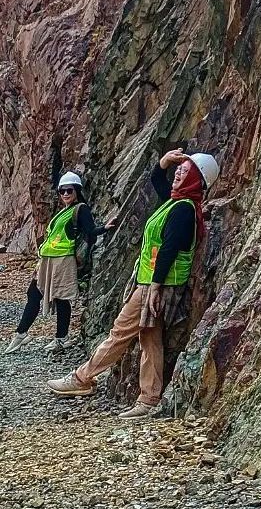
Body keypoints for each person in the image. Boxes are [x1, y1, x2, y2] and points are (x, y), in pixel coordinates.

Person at [48, 148, 219, 419]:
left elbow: (169, 249)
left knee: (120, 331)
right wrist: (164, 162)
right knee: (149, 338)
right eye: (179, 170)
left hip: (158, 284)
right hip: (156, 282)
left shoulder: (183, 210)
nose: (178, 174)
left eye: (185, 172)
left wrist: (154, 286)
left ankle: (82, 378)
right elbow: (158, 181)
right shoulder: (176, 203)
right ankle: (148, 398)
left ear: (196, 181)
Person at [4, 171, 98, 355]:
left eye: (69, 190)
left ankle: (59, 339)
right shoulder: (64, 211)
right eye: (61, 191)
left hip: (63, 259)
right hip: (49, 259)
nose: (65, 194)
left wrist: (106, 228)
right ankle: (23, 333)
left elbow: (91, 231)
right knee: (34, 292)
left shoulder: (81, 209)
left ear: (77, 190)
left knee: (61, 298)